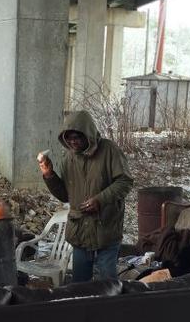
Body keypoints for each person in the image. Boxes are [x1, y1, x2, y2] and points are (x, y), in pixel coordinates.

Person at [37, 110, 133, 282]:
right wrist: (49, 175)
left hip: (106, 228)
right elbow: (66, 196)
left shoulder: (109, 150)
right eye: (69, 138)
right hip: (80, 231)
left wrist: (100, 200)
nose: (73, 142)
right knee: (80, 284)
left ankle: (110, 309)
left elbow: (125, 182)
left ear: (88, 134)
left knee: (107, 282)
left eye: (77, 137)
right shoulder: (69, 159)